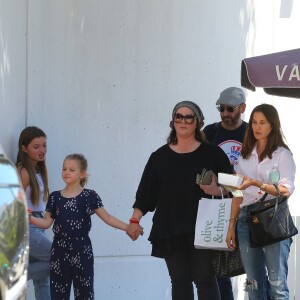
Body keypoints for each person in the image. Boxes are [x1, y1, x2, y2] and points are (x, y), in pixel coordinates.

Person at [126, 101, 232, 300]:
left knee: (205, 279)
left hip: (205, 228)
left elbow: (235, 188)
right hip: (170, 227)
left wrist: (216, 190)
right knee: (179, 281)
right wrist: (134, 221)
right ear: (173, 122)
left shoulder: (213, 153)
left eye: (188, 117)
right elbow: (145, 195)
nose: (183, 120)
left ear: (198, 122)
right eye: (178, 116)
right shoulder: (159, 157)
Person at [29, 153, 136, 300]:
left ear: (83, 174)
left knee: (85, 293)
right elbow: (46, 223)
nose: (66, 172)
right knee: (58, 294)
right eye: (64, 169)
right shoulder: (55, 197)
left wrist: (128, 227)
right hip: (59, 251)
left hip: (82, 250)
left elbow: (108, 217)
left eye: (72, 170)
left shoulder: (89, 196)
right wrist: (28, 218)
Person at [226, 104, 296, 300]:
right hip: (246, 219)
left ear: (272, 125)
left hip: (272, 218)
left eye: (262, 122)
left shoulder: (282, 154)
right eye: (254, 122)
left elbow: (286, 190)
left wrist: (257, 183)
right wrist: (231, 225)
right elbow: (237, 192)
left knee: (277, 285)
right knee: (252, 283)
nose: (257, 127)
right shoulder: (244, 154)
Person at [203, 87, 247, 300]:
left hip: (248, 205)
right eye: (221, 108)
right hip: (217, 206)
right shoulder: (211, 133)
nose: (225, 113)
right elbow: (202, 169)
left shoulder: (252, 132)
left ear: (242, 108)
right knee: (220, 269)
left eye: (230, 109)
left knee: (254, 265)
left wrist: (228, 183)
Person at [16, 126, 51, 299]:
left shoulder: (37, 170)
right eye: (36, 147)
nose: (42, 150)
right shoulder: (23, 171)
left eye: (44, 145)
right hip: (28, 228)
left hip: (38, 226)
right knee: (58, 258)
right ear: (24, 148)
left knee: (43, 280)